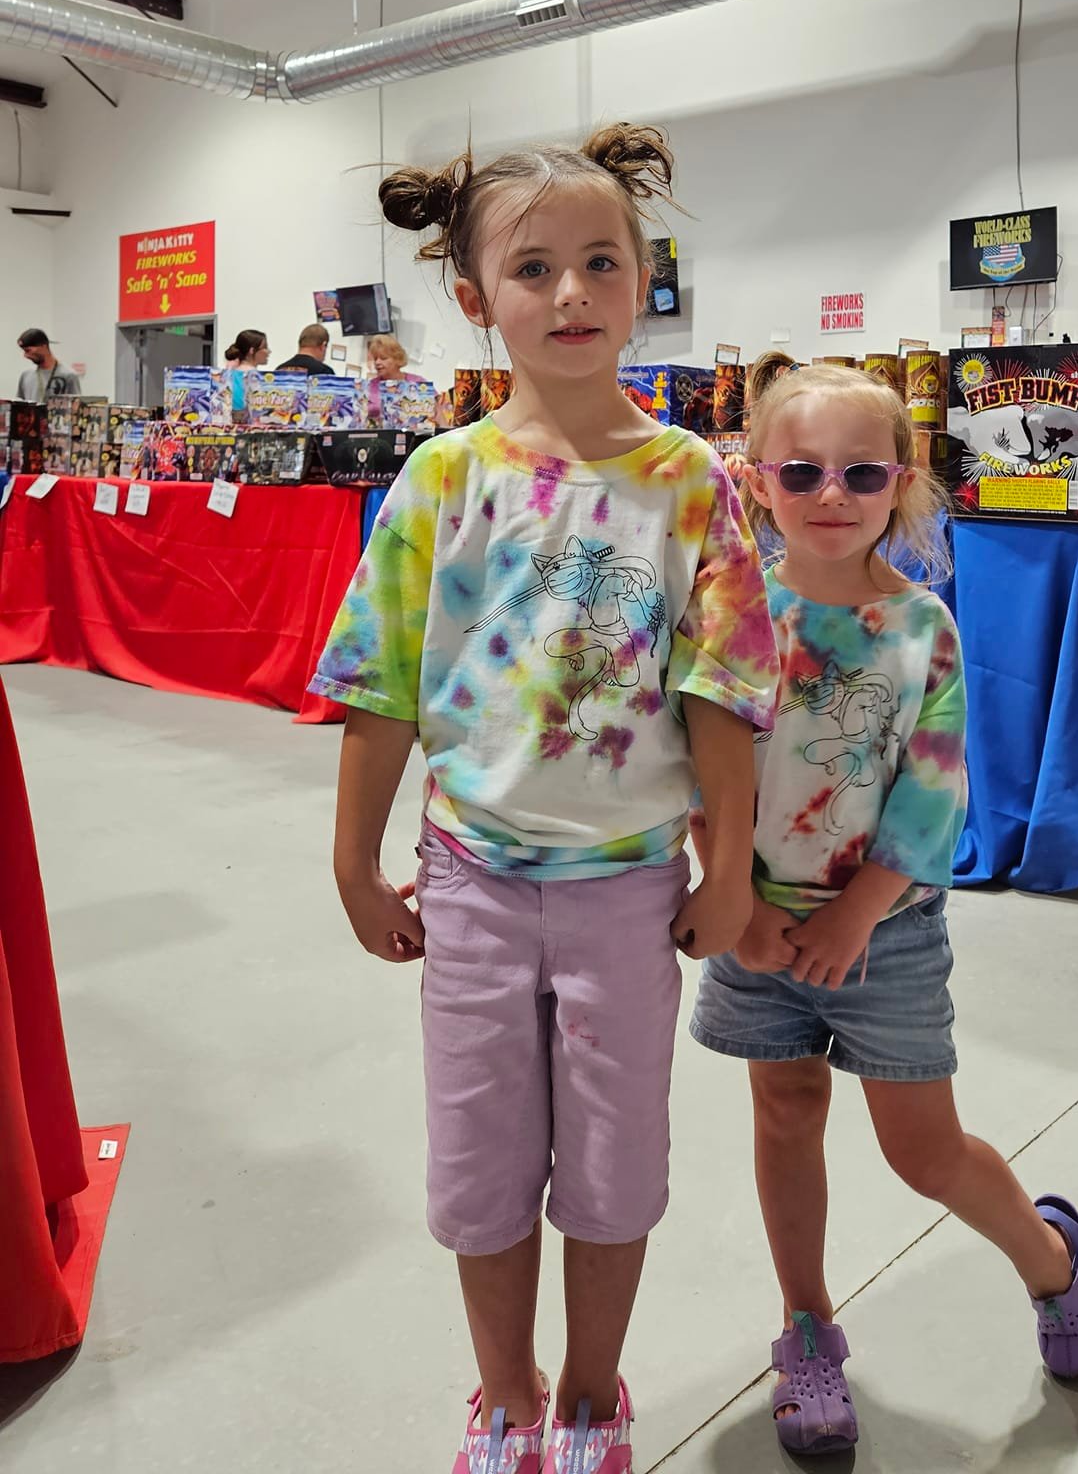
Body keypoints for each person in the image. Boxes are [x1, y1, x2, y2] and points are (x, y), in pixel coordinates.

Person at [310, 124, 778, 1474]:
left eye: (600, 264)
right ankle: (504, 1399)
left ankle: (589, 1399)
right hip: (469, 887)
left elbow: (724, 691)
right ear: (475, 297)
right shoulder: (442, 481)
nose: (570, 294)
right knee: (479, 1166)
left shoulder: (693, 483)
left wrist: (728, 862)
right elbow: (382, 686)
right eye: (533, 269)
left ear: (643, 279)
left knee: (617, 1168)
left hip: (631, 893)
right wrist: (354, 864)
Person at [690, 362, 1078, 1453]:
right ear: (757, 478)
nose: (832, 493)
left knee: (922, 1150)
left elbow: (932, 791)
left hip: (888, 930)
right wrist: (731, 896)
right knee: (783, 1109)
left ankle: (1051, 1256)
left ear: (902, 481)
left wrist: (856, 912)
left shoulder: (921, 624)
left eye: (861, 471)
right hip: (754, 924)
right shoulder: (729, 611)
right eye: (803, 471)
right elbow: (701, 768)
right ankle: (806, 1328)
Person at [364, 331, 427, 419]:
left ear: (397, 359)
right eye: (375, 358)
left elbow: (436, 413)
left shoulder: (418, 382)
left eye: (383, 358)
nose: (377, 362)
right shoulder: (369, 387)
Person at [16, 328, 81, 401]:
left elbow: (76, 406)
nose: (26, 355)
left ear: (44, 346)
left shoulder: (69, 375)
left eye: (28, 350)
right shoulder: (26, 375)